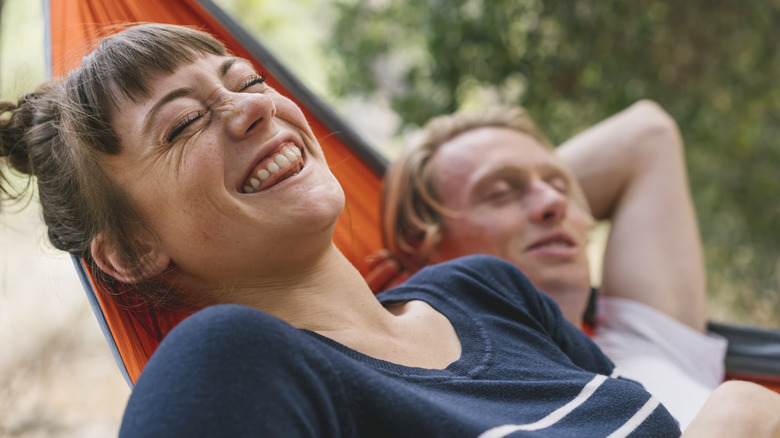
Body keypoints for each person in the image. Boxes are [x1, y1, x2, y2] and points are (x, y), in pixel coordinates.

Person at [1, 23, 778, 437]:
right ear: (134, 250)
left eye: (247, 81)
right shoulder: (230, 365)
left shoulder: (487, 291)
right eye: (181, 127)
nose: (252, 108)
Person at [380, 103, 729, 429]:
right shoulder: (448, 403)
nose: (554, 203)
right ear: (423, 246)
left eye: (561, 187)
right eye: (499, 192)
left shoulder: (648, 346)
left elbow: (648, 134)